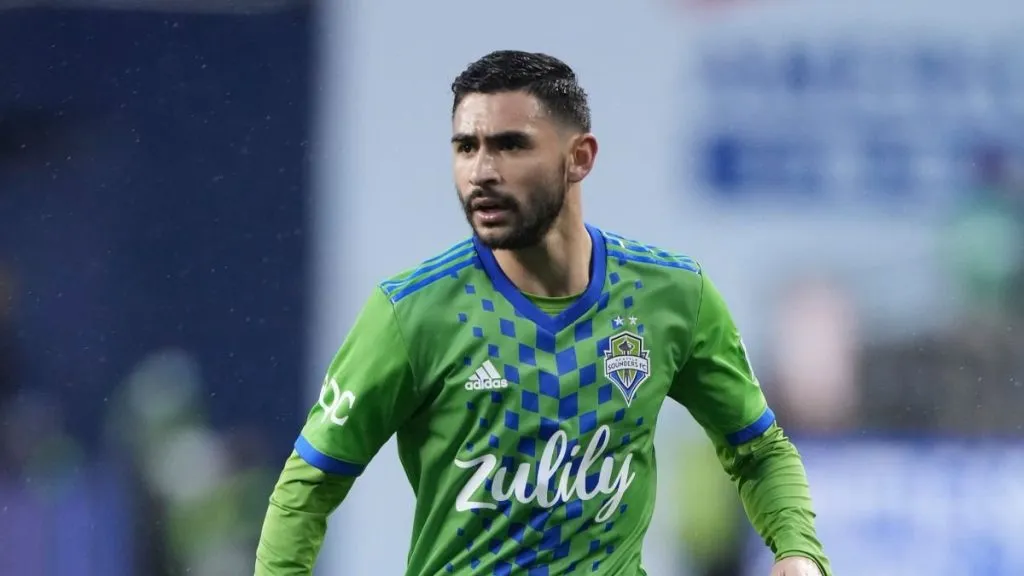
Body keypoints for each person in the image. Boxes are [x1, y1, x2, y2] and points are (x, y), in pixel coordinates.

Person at [255, 50, 830, 576]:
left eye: (510, 145)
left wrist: (798, 550)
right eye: (466, 147)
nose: (482, 171)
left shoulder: (673, 296)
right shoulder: (414, 312)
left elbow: (759, 451)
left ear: (579, 158)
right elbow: (309, 487)